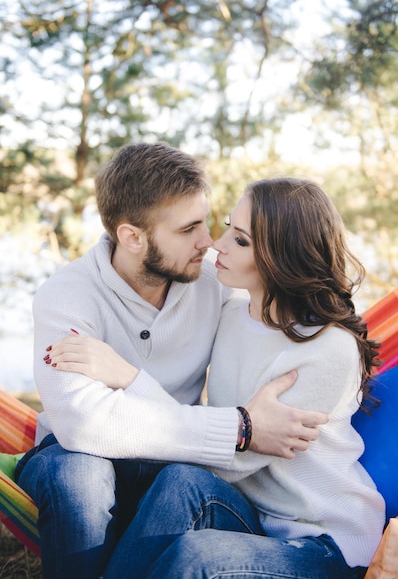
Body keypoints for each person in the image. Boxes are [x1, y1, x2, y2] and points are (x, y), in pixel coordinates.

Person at [15, 144, 328, 579]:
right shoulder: (67, 296)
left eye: (207, 220)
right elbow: (82, 424)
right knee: (79, 476)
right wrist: (239, 429)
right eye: (189, 229)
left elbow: (276, 314)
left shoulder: (214, 285)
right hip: (76, 456)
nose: (210, 242)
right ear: (132, 237)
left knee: (181, 478)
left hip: (175, 464)